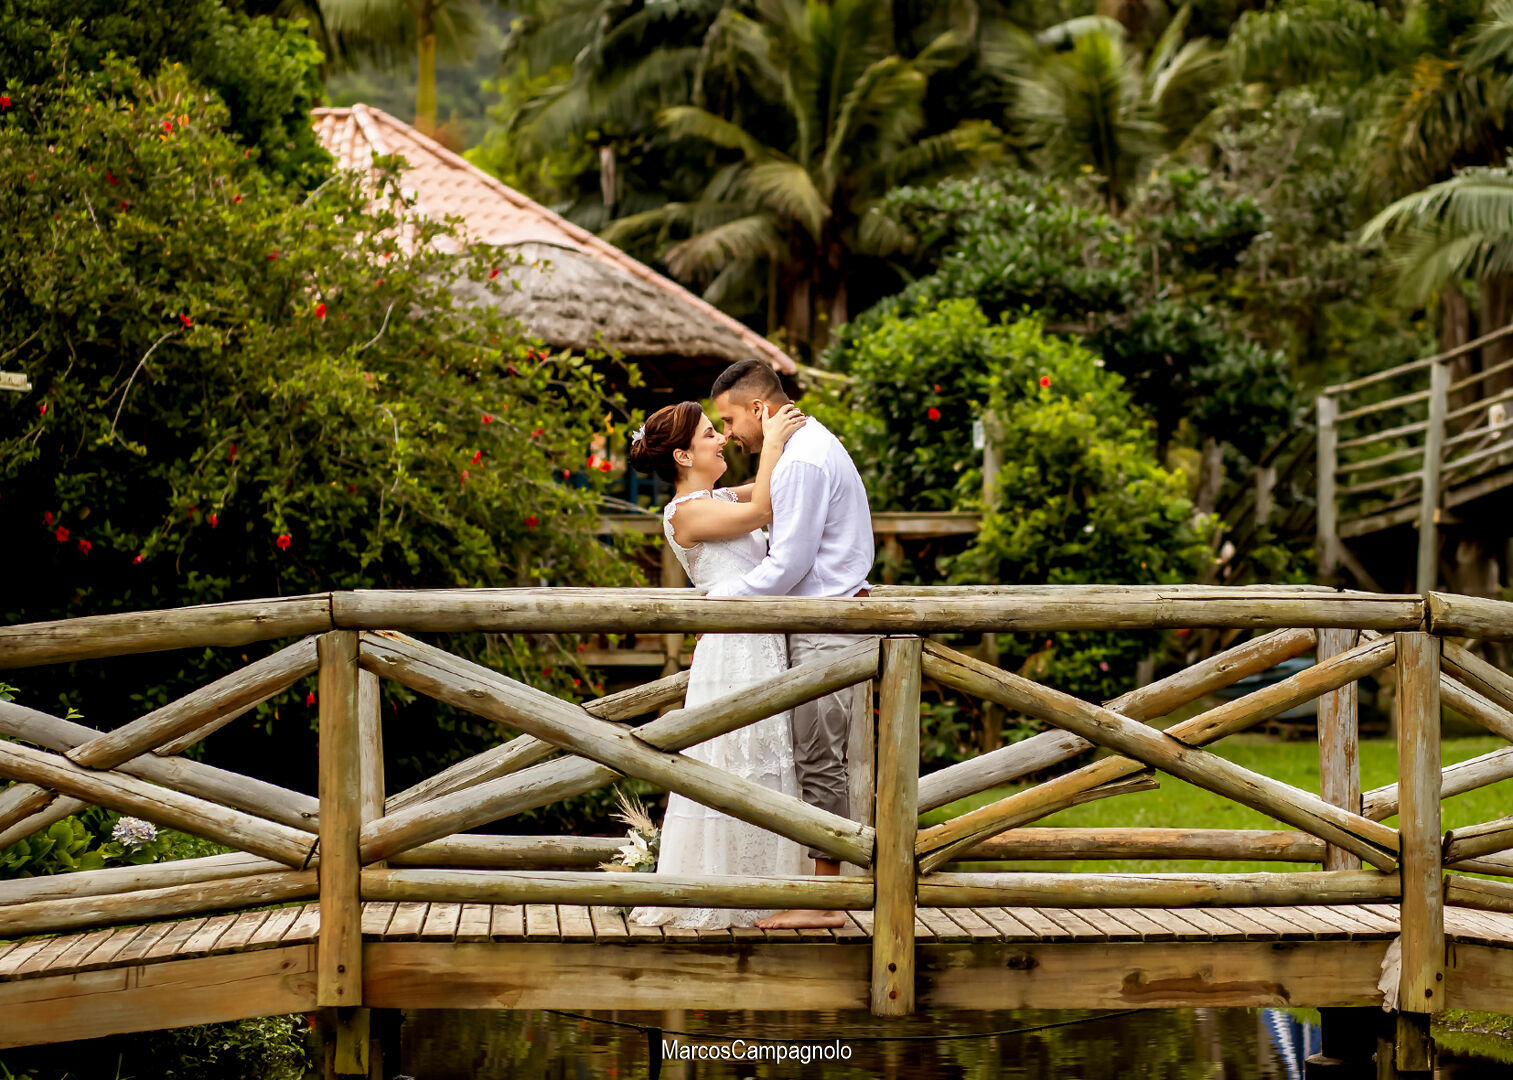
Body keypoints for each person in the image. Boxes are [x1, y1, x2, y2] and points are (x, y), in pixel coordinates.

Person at [625, 397, 813, 929]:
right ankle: (721, 889)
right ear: (683, 457)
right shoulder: (687, 512)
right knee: (734, 761)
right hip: (733, 652)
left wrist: (807, 455)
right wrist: (772, 443)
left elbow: (771, 490)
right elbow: (762, 511)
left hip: (765, 646)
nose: (722, 438)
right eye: (711, 434)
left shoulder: (717, 496)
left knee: (769, 760)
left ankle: (776, 886)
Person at [707, 360, 875, 930]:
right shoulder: (805, 448)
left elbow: (787, 566)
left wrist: (717, 602)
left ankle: (824, 903)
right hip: (825, 617)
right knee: (817, 753)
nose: (728, 433)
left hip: (826, 625)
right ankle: (820, 891)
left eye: (730, 420)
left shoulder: (802, 458)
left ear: (759, 409)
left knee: (819, 756)